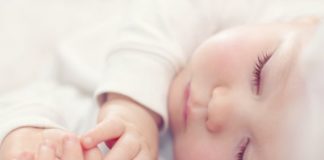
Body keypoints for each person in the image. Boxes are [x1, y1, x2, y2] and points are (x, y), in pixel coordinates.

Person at [1, 0, 324, 160]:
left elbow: (41, 103)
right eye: (259, 73)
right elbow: (175, 11)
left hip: (62, 94)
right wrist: (131, 108)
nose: (217, 108)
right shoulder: (276, 17)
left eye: (242, 153)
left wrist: (29, 137)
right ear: (306, 21)